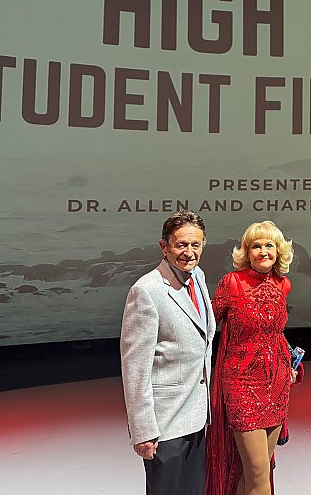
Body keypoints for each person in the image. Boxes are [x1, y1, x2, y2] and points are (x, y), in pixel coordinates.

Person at [121, 211, 216, 495]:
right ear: (164, 246)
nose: (189, 252)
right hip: (165, 425)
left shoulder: (198, 277)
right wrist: (143, 431)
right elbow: (135, 369)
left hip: (197, 417)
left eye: (196, 245)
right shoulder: (146, 291)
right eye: (181, 245)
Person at [206, 220, 300, 495]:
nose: (263, 251)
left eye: (269, 245)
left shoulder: (283, 285)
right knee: (259, 476)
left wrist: (290, 361)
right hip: (241, 386)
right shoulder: (232, 282)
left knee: (257, 474)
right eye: (256, 246)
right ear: (246, 252)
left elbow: (275, 333)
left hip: (277, 385)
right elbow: (207, 326)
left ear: (278, 250)